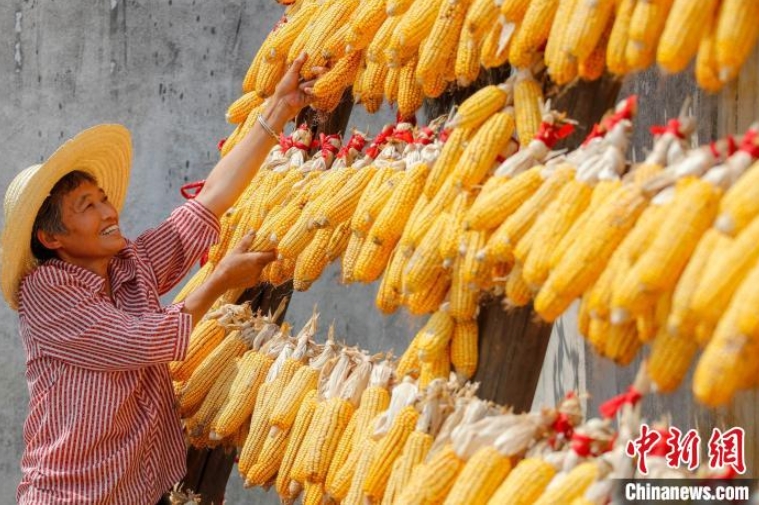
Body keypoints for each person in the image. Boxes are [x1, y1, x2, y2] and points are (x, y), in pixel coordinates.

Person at [1, 53, 317, 505]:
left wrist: (279, 109)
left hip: (139, 489)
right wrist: (220, 279)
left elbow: (208, 202)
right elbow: (139, 341)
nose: (110, 213)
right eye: (87, 206)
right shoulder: (46, 295)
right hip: (72, 496)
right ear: (51, 237)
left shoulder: (131, 264)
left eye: (104, 199)